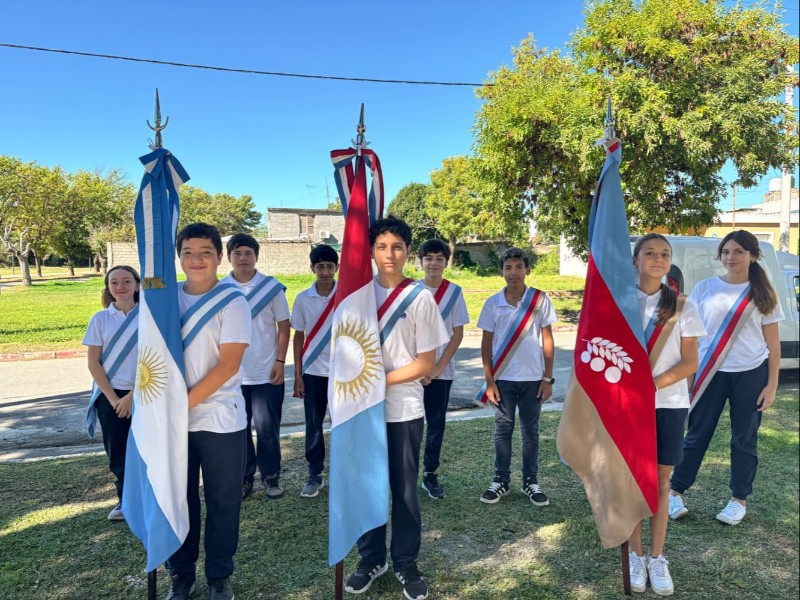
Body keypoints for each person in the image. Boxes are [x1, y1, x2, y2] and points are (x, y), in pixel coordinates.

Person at [345, 216, 448, 600]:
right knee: (368, 488)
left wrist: (378, 382)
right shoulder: (356, 296)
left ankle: (405, 562)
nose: (390, 254)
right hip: (362, 410)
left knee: (404, 491)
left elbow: (425, 364)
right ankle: (371, 559)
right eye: (382, 247)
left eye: (397, 247)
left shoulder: (419, 298)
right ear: (371, 251)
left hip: (403, 409)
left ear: (408, 252)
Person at [669, 230, 783, 528]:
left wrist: (771, 385)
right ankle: (675, 492)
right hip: (710, 372)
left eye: (739, 252)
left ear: (753, 256)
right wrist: (687, 375)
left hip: (751, 373)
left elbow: (773, 346)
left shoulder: (764, 293)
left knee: (744, 439)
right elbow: (689, 335)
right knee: (696, 434)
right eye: (726, 251)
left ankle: (738, 500)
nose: (731, 257)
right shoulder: (705, 288)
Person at [165, 223, 251, 600]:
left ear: (219, 257)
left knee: (222, 501)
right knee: (178, 501)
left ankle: (219, 575)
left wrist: (177, 407)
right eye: (188, 252)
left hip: (221, 419)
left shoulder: (233, 301)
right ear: (179, 257)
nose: (196, 259)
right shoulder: (165, 298)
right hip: (174, 425)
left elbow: (228, 365)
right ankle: (181, 574)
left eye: (205, 252)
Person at [627, 234, 706, 596]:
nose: (657, 258)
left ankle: (657, 556)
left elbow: (690, 362)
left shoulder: (683, 305)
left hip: (669, 405)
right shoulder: (621, 304)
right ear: (636, 260)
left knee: (660, 483)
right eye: (650, 252)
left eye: (664, 254)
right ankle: (635, 555)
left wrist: (652, 385)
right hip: (628, 408)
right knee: (632, 483)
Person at [477, 247, 557, 506]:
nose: (514, 272)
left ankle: (530, 481)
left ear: (527, 270)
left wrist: (547, 378)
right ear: (501, 271)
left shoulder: (540, 300)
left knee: (530, 431)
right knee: (503, 429)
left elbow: (548, 339)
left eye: (519, 267)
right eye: (508, 267)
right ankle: (501, 479)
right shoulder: (493, 303)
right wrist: (489, 381)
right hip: (503, 379)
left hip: (533, 379)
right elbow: (486, 343)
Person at [220, 233, 290, 500]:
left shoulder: (271, 288)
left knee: (267, 429)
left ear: (256, 256)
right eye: (237, 253)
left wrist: (280, 361)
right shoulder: (220, 288)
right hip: (231, 374)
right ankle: (244, 478)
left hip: (266, 372)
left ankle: (271, 477)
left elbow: (284, 326)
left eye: (248, 253)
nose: (243, 258)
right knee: (238, 430)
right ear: (228, 257)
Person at [83, 265, 140, 521]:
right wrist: (115, 399)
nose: (121, 287)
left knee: (147, 450)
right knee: (118, 452)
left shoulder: (149, 317)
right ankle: (126, 502)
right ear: (108, 287)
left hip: (145, 391)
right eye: (114, 282)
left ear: (137, 285)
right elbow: (93, 363)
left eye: (127, 281)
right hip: (110, 397)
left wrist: (132, 396)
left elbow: (155, 358)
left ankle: (149, 500)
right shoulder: (100, 319)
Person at [417, 239, 469, 500]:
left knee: (436, 424)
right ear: (420, 262)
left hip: (441, 373)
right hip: (412, 373)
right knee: (408, 426)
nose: (434, 263)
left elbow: (457, 334)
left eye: (439, 259)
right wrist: (419, 369)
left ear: (446, 263)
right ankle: (404, 474)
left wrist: (436, 369)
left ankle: (430, 474)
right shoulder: (410, 290)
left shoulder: (454, 292)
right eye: (429, 258)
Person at [291, 244, 338, 498]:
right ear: (312, 268)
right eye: (320, 267)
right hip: (313, 372)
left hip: (343, 372)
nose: (325, 271)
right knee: (314, 424)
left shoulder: (347, 295)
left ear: (337, 268)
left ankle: (343, 471)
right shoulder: (302, 299)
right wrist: (298, 375)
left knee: (342, 422)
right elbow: (298, 336)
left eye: (330, 266)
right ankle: (314, 473)